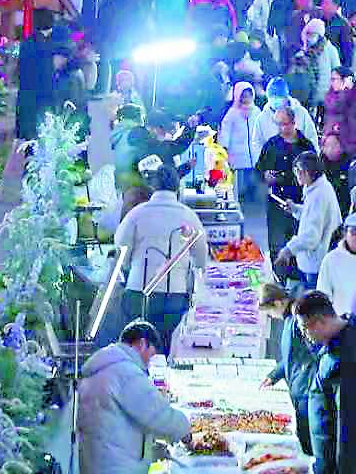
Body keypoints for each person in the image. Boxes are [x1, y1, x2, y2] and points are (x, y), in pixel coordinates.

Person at [106, 166, 209, 350]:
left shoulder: (136, 213)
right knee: (168, 348)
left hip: (138, 292)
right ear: (177, 187)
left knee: (138, 349)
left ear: (153, 187)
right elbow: (201, 257)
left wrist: (130, 266)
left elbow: (121, 249)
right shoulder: (188, 215)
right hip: (175, 294)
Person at [76, 321, 192, 474]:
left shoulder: (106, 366)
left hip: (99, 463)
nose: (148, 363)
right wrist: (185, 431)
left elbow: (116, 424)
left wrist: (150, 450)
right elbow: (157, 413)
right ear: (142, 344)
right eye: (150, 356)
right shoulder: (125, 371)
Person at [296, 289, 356, 474]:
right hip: (328, 458)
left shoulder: (348, 358)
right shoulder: (337, 343)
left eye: (304, 328)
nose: (304, 335)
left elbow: (349, 428)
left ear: (320, 322)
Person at [259, 284, 318, 455]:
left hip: (305, 388)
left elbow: (309, 353)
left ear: (278, 303)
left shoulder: (296, 320)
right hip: (299, 385)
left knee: (307, 444)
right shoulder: (289, 320)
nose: (271, 316)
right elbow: (290, 356)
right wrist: (274, 375)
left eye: (270, 312)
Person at [257, 103, 317, 253]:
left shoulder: (306, 146)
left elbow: (315, 173)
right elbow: (259, 169)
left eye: (284, 124)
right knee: (276, 245)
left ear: (293, 123)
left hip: (300, 200)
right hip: (277, 203)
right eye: (278, 124)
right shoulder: (271, 145)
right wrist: (265, 175)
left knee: (299, 245)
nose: (281, 128)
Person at [281, 150, 344, 290]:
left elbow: (311, 237)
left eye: (299, 170)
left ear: (307, 172)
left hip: (317, 262)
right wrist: (296, 209)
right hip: (316, 259)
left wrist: (288, 249)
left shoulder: (318, 194)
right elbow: (313, 216)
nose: (297, 174)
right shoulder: (317, 188)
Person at [219, 82, 275, 234]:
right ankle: (240, 204)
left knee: (254, 180)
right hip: (237, 154)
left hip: (254, 154)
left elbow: (262, 128)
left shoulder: (256, 111)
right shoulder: (232, 113)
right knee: (239, 183)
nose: (246, 99)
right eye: (243, 96)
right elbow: (225, 132)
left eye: (249, 95)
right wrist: (224, 147)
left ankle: (254, 204)